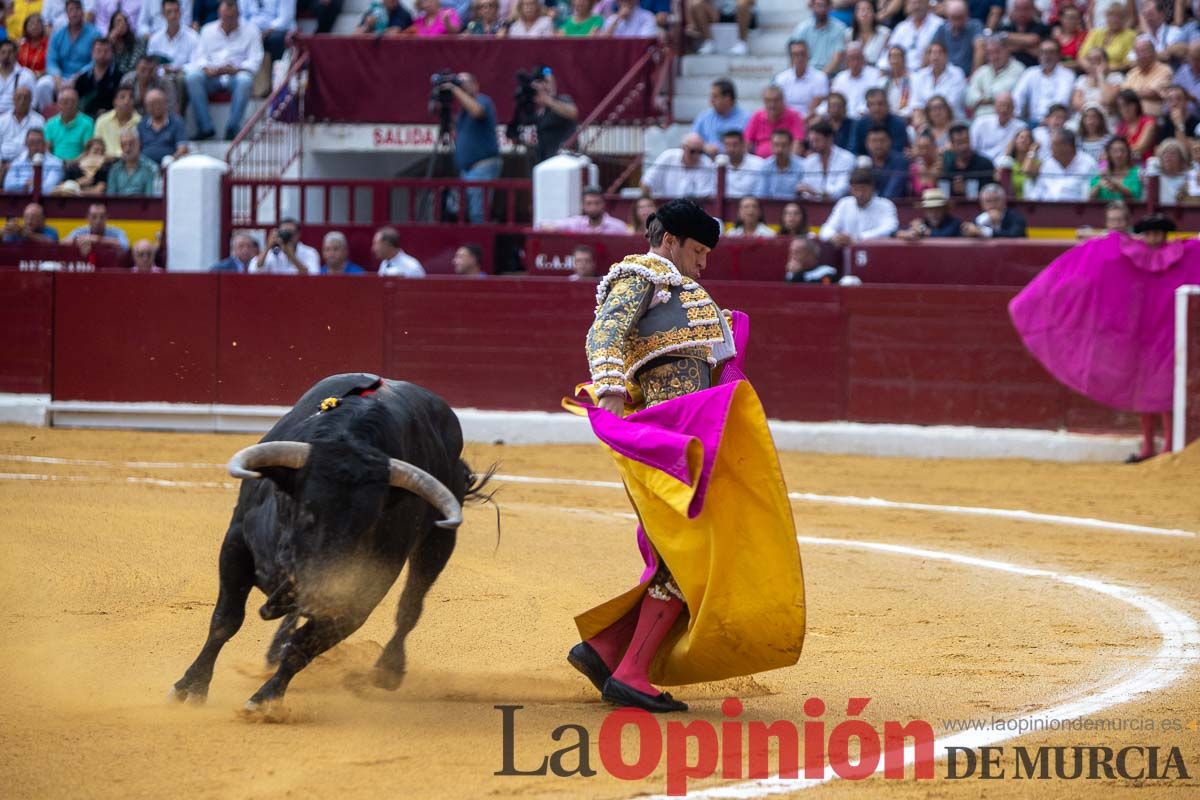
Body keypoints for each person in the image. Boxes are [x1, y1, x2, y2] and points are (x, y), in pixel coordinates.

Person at [572, 197, 805, 713]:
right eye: (697, 250)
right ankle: (631, 673)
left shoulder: (680, 287)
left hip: (689, 435)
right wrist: (609, 391)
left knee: (682, 549)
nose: (704, 262)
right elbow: (605, 332)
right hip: (667, 437)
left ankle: (603, 650)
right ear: (669, 240)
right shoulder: (641, 274)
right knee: (692, 552)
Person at [1010, 214, 1200, 463]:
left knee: (1165, 392)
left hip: (1167, 337)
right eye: (1150, 233)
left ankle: (1167, 449)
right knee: (1143, 391)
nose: (1155, 238)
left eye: (1159, 233)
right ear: (1142, 234)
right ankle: (1147, 448)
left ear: (1166, 235)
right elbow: (1098, 262)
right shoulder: (1123, 252)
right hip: (1138, 337)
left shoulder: (1184, 254)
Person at [185, 0, 262, 141]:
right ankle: (205, 128)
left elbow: (255, 61)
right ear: (219, 14)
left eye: (232, 18)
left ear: (238, 14)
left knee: (245, 80)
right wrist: (207, 68)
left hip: (236, 76)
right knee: (193, 77)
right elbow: (199, 58)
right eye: (225, 17)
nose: (228, 21)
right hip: (213, 77)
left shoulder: (251, 30)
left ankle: (232, 129)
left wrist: (236, 69)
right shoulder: (207, 30)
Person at [439, 72, 499, 223]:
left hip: (482, 165)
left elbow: (477, 111)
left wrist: (455, 89)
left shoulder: (482, 100)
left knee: (478, 212)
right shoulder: (462, 112)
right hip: (466, 170)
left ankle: (480, 243)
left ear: (475, 84)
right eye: (459, 83)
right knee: (459, 211)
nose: (461, 86)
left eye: (464, 82)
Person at [34, 0, 99, 112]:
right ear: (66, 14)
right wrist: (57, 77)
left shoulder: (94, 34)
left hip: (84, 76)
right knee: (43, 85)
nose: (74, 13)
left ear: (83, 12)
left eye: (77, 9)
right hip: (61, 76)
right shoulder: (58, 34)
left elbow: (96, 60)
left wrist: (78, 76)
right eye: (71, 10)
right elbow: (51, 59)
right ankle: (51, 117)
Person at [818, 166, 899, 244]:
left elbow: (889, 229)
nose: (860, 194)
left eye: (864, 189)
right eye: (856, 189)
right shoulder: (844, 203)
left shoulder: (886, 205)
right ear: (850, 189)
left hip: (876, 252)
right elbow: (826, 229)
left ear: (872, 188)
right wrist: (834, 237)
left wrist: (858, 238)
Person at [1011, 40, 1075, 124]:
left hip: (1057, 122)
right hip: (1032, 122)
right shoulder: (1030, 73)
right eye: (1043, 52)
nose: (1047, 56)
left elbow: (1062, 100)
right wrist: (1014, 116)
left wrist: (1049, 119)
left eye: (1051, 52)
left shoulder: (1067, 75)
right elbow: (1017, 96)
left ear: (1058, 55)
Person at [1026, 128, 1098, 200]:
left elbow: (1090, 194)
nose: (1050, 148)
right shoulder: (1048, 163)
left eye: (1054, 145)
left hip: (1077, 209)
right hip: (1047, 208)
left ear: (1067, 147)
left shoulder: (1088, 163)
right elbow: (1039, 190)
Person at [640, 131, 717, 198]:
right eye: (692, 151)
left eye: (700, 152)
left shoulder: (706, 164)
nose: (696, 155)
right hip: (667, 209)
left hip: (692, 210)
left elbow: (705, 196)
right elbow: (646, 183)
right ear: (683, 147)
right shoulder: (668, 157)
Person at [966, 37, 1026, 118]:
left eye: (997, 52)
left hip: (1006, 120)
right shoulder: (982, 71)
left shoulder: (1019, 69)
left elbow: (1002, 92)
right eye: (990, 53)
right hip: (979, 119)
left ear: (1007, 50)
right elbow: (969, 98)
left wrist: (981, 98)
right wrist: (991, 100)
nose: (994, 57)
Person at [797, 119, 855, 199]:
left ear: (829, 139)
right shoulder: (809, 161)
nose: (813, 145)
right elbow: (805, 189)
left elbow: (841, 190)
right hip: (814, 205)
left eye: (817, 140)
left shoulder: (847, 158)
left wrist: (815, 192)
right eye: (811, 141)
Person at [692, 78, 751, 155]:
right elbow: (692, 141)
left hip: (736, 162)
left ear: (727, 99)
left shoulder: (747, 118)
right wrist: (704, 147)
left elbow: (749, 146)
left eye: (715, 97)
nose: (711, 101)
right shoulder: (704, 117)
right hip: (708, 161)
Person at [911, 41, 967, 122]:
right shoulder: (920, 75)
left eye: (939, 53)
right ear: (928, 56)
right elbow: (916, 104)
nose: (935, 56)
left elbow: (951, 104)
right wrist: (920, 123)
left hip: (952, 121)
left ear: (946, 56)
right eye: (932, 53)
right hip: (925, 120)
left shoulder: (957, 74)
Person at [530, 68, 576, 164]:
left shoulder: (562, 100)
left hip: (562, 161)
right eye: (542, 82)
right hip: (544, 161)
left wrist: (548, 100)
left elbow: (572, 112)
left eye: (548, 82)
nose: (546, 86)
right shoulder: (537, 110)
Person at [772, 40, 828, 120]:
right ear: (791, 57)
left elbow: (816, 105)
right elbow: (779, 104)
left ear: (808, 55)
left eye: (802, 54)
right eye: (795, 55)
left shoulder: (820, 77)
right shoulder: (781, 78)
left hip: (810, 120)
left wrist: (803, 120)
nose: (800, 58)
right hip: (786, 119)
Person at [745, 85, 804, 158]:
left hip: (786, 162)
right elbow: (747, 143)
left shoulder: (794, 116)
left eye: (776, 100)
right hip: (760, 164)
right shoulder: (757, 116)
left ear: (782, 100)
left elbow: (797, 144)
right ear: (764, 101)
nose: (772, 104)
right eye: (768, 100)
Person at [789, 0, 847, 75]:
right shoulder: (801, 29)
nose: (822, 9)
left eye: (825, 5)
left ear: (830, 7)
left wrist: (820, 78)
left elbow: (837, 59)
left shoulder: (840, 29)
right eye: (819, 5)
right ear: (812, 6)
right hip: (806, 74)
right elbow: (794, 55)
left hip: (831, 75)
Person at [884, 0, 942, 73]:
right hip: (902, 74)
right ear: (907, 5)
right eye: (913, 3)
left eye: (920, 2)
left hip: (929, 74)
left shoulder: (939, 25)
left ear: (927, 3)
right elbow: (889, 51)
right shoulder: (901, 27)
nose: (916, 6)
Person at [541, 186, 628, 233]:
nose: (593, 207)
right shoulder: (576, 223)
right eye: (589, 203)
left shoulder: (618, 226)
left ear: (603, 204)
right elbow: (542, 225)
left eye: (597, 203)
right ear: (583, 205)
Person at [942, 122, 994, 198]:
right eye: (959, 143)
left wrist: (966, 190)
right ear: (952, 145)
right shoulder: (948, 168)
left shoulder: (985, 164)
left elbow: (991, 195)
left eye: (966, 141)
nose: (964, 146)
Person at [249, 218, 319, 275]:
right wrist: (268, 246)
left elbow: (312, 276)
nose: (287, 236)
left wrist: (290, 255)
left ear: (298, 234)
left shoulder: (309, 252)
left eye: (290, 233)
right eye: (284, 232)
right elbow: (254, 270)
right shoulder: (271, 253)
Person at [136, 87, 187, 164]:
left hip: (170, 165)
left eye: (159, 102)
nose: (156, 106)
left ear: (165, 103)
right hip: (146, 167)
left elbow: (183, 149)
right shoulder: (141, 124)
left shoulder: (177, 122)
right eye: (152, 104)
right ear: (146, 107)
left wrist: (171, 159)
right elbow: (136, 149)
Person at [931, 0, 983, 76]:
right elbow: (930, 50)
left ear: (967, 15)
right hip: (946, 76)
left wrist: (973, 77)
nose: (957, 22)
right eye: (954, 18)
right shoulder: (942, 29)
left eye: (960, 17)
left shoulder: (975, 26)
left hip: (967, 75)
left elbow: (980, 49)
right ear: (948, 17)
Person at [969, 92, 1025, 162]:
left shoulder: (1021, 127)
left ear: (1013, 108)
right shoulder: (980, 123)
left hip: (1007, 166)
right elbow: (972, 147)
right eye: (1001, 105)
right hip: (982, 166)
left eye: (1008, 106)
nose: (1004, 109)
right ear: (994, 106)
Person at [829, 44, 881, 119]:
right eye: (851, 59)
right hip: (843, 118)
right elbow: (833, 99)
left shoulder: (875, 74)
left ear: (863, 59)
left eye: (858, 58)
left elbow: (877, 100)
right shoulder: (840, 78)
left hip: (866, 118)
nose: (855, 62)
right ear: (846, 61)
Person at [851, 87, 907, 156]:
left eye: (880, 104)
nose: (876, 108)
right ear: (867, 106)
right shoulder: (860, 124)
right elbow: (854, 149)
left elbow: (898, 150)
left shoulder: (898, 123)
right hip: (867, 162)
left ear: (887, 104)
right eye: (872, 104)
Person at [4, 126, 62, 191]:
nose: (35, 146)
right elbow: (8, 186)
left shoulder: (55, 163)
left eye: (38, 142)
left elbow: (48, 189)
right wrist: (25, 184)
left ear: (44, 144)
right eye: (31, 142)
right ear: (26, 144)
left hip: (44, 200)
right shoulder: (17, 162)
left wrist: (28, 186)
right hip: (19, 200)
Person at [1080, 2, 1136, 69]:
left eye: (1118, 16)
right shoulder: (1096, 33)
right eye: (1111, 16)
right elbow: (1081, 57)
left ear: (1124, 19)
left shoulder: (1130, 35)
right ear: (1106, 17)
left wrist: (1106, 69)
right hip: (1091, 72)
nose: (1115, 19)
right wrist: (1091, 69)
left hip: (1117, 72)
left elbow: (1128, 63)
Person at [44, 85, 93, 160]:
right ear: (59, 104)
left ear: (77, 103)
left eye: (73, 102)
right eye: (65, 102)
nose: (69, 105)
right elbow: (47, 149)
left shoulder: (87, 123)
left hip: (79, 165)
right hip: (55, 165)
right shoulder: (50, 124)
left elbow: (88, 150)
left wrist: (72, 163)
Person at [1071, 46, 1122, 118]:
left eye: (1098, 60)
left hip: (1107, 119)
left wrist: (1101, 76)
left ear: (1106, 62)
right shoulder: (1082, 79)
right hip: (1084, 119)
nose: (1093, 64)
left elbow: (1107, 100)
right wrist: (1098, 105)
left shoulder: (1116, 77)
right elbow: (1076, 104)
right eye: (1090, 60)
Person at [689, 0, 755, 55]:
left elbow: (752, 2)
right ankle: (709, 42)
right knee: (697, 5)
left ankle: (742, 43)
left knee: (743, 4)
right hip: (718, 13)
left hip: (740, 12)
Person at [962, 182, 1027, 237]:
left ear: (1004, 201)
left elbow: (1014, 236)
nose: (992, 205)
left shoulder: (1016, 218)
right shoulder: (979, 219)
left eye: (996, 200)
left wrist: (984, 232)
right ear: (982, 204)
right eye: (988, 201)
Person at [245, 0, 295, 70]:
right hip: (251, 30)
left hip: (276, 30)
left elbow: (285, 19)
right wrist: (251, 31)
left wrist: (266, 32)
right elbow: (241, 16)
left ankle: (276, 76)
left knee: (275, 39)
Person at [1088, 135, 1142, 201]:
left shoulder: (1136, 172)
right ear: (1108, 154)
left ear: (1128, 153)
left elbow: (1135, 197)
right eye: (1114, 151)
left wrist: (1116, 185)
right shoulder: (1102, 173)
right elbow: (1089, 198)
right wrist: (1098, 185)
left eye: (1122, 151)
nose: (1119, 155)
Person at [998, 0, 1050, 68]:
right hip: (1009, 71)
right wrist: (1028, 46)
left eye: (1025, 9)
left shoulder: (1042, 27)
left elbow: (1033, 41)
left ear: (1033, 10)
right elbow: (1001, 49)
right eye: (1018, 9)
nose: (1021, 13)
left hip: (1035, 69)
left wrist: (1010, 41)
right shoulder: (1005, 28)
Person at [896, 187, 963, 239]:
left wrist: (921, 229)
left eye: (938, 209)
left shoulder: (954, 223)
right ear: (924, 211)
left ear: (944, 210)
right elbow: (895, 232)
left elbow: (943, 235)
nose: (934, 213)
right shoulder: (923, 222)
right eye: (930, 210)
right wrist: (906, 233)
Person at [106, 128, 157, 195]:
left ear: (139, 144)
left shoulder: (151, 168)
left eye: (131, 144)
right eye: (124, 145)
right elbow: (110, 199)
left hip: (142, 205)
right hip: (118, 205)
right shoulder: (115, 170)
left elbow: (151, 199)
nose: (127, 149)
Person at [864, 123, 909, 197]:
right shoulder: (864, 163)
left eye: (882, 140)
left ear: (890, 141)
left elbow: (892, 192)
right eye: (874, 141)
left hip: (896, 205)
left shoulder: (900, 161)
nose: (878, 144)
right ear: (866, 143)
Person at [0, 85, 43, 161]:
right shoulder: (2, 120)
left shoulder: (39, 120)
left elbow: (39, 146)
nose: (22, 101)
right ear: (13, 99)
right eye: (19, 97)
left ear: (31, 100)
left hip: (27, 162)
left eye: (26, 98)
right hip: (3, 161)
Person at [93, 84, 138, 155]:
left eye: (131, 97)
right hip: (106, 163)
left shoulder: (141, 122)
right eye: (122, 97)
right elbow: (96, 147)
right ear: (115, 101)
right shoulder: (102, 121)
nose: (126, 101)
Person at [716, 129, 764, 196]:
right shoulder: (717, 164)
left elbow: (761, 193)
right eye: (727, 145)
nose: (731, 149)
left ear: (743, 145)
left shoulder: (759, 164)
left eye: (735, 145)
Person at [1114, 88, 1157, 161]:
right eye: (1120, 106)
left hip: (1145, 164)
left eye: (1127, 105)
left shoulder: (1148, 122)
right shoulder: (1120, 126)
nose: (1124, 109)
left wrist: (1120, 151)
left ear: (1136, 105)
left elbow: (1141, 147)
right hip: (1127, 165)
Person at [849, 0, 890, 66]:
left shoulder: (885, 33)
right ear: (855, 14)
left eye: (868, 9)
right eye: (860, 10)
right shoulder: (848, 34)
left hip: (877, 71)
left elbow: (886, 58)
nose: (864, 13)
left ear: (874, 13)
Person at [0, 40, 35, 116]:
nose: (6, 56)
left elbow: (33, 102)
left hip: (17, 116)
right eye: (3, 52)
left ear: (16, 55)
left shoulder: (26, 75)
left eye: (10, 52)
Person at [881, 44, 914, 119]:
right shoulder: (882, 81)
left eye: (897, 56)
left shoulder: (913, 80)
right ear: (888, 61)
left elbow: (914, 104)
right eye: (892, 57)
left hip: (905, 118)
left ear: (904, 59)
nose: (894, 60)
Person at [909, 129, 941, 195]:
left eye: (927, 147)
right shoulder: (913, 169)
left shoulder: (942, 166)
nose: (924, 152)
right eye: (920, 148)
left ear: (935, 147)